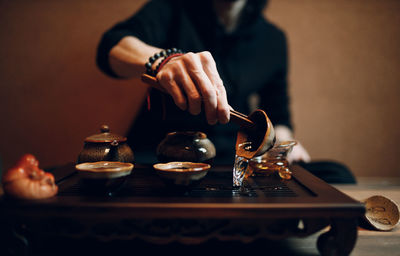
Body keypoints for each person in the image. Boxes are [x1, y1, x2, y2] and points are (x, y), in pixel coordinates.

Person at [96, 0, 355, 183]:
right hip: (160, 150)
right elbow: (111, 47)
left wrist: (283, 147)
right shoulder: (172, 8)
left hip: (233, 155)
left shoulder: (273, 39)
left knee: (337, 174)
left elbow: (279, 114)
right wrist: (162, 60)